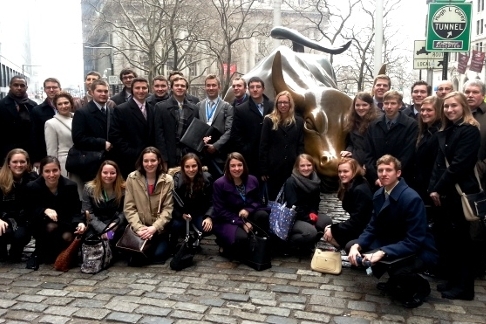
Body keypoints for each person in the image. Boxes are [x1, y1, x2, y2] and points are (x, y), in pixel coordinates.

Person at [349, 155, 438, 308]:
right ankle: (395, 279)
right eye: (380, 170)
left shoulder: (411, 198)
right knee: (353, 247)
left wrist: (383, 252)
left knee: (399, 271)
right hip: (394, 242)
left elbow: (415, 240)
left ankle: (420, 287)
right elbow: (372, 227)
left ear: (398, 173)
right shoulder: (379, 194)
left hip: (419, 249)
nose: (384, 174)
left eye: (388, 170)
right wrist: (356, 245)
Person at [428, 91, 481, 300]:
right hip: (445, 193)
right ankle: (452, 279)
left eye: (454, 106)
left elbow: (459, 165)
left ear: (463, 107)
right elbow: (438, 163)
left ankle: (464, 287)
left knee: (462, 242)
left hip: (459, 193)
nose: (450, 110)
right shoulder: (447, 129)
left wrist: (438, 188)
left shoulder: (469, 131)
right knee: (449, 240)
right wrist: (433, 188)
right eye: (446, 107)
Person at [27, 156, 85, 265]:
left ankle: (63, 254)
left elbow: (76, 209)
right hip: (43, 224)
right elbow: (29, 210)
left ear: (60, 170)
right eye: (47, 171)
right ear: (41, 172)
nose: (51, 175)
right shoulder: (33, 187)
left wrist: (80, 222)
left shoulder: (70, 186)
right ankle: (44, 252)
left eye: (55, 170)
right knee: (51, 227)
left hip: (65, 222)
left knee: (67, 236)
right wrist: (44, 210)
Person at [212, 152, 269, 259]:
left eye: (239, 165)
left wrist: (248, 210)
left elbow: (258, 201)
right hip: (228, 219)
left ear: (244, 166)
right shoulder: (219, 184)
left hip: (247, 214)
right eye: (233, 166)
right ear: (228, 167)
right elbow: (220, 210)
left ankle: (260, 243)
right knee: (240, 239)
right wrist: (242, 223)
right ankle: (224, 244)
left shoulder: (252, 179)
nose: (237, 169)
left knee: (262, 215)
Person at [124, 147, 173, 265]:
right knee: (137, 259)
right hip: (140, 228)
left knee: (158, 257)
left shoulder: (168, 180)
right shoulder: (132, 178)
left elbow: (168, 209)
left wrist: (154, 228)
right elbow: (129, 207)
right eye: (146, 161)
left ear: (159, 161)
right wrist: (139, 228)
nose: (149, 164)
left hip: (158, 229)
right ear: (141, 161)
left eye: (153, 160)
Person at [364, 90, 418, 188]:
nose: (389, 107)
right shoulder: (374, 125)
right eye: (386, 103)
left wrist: (392, 176)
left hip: (400, 179)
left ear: (400, 105)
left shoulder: (410, 125)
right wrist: (376, 176)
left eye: (393, 103)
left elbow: (407, 154)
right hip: (377, 180)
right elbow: (368, 154)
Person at [282, 154, 332, 254]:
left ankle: (308, 242)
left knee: (326, 221)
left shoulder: (315, 181)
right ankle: (290, 243)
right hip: (294, 217)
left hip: (308, 214)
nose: (306, 168)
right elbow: (294, 206)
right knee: (311, 232)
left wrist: (313, 213)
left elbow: (316, 201)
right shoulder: (291, 182)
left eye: (309, 165)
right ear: (297, 167)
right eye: (302, 166)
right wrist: (309, 220)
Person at [260, 90, 304, 200]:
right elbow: (263, 145)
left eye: (285, 102)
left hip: (291, 166)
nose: (283, 105)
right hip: (273, 166)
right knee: (273, 198)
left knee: (291, 197)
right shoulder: (269, 120)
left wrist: (300, 164)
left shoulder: (298, 121)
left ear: (290, 104)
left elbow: (300, 145)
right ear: (276, 104)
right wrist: (263, 169)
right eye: (280, 102)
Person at [323, 158, 372, 251]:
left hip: (365, 229)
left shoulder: (360, 190)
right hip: (360, 225)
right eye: (340, 171)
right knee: (327, 229)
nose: (342, 175)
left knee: (329, 232)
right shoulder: (352, 185)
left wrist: (334, 229)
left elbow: (358, 221)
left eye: (345, 171)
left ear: (354, 171)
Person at [109, 77, 154, 178]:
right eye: (137, 88)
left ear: (148, 89)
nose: (141, 91)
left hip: (150, 160)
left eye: (144, 88)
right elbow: (115, 136)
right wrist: (131, 152)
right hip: (130, 160)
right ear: (132, 90)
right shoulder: (121, 109)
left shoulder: (152, 108)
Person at [230, 77, 273, 177]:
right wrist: (247, 149)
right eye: (252, 87)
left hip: (271, 157)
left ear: (263, 89)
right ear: (248, 90)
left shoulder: (273, 106)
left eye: (258, 87)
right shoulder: (241, 109)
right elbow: (236, 135)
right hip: (251, 159)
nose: (255, 89)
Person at [71, 79, 113, 182]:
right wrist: (102, 143)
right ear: (91, 92)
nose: (103, 94)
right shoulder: (82, 113)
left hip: (111, 162)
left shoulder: (112, 111)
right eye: (99, 91)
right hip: (92, 162)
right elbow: (78, 138)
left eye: (106, 91)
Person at [169, 153, 213, 251]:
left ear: (199, 166)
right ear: (183, 168)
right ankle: (176, 241)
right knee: (176, 225)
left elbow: (212, 201)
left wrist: (208, 217)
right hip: (182, 213)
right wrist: (181, 214)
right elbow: (172, 203)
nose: (191, 169)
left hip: (198, 212)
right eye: (187, 167)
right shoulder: (177, 180)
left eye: (194, 166)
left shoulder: (206, 179)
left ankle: (195, 239)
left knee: (206, 227)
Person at [0, 149, 37, 262]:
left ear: (27, 163)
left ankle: (15, 252)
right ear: (9, 164)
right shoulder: (0, 179)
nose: (19, 165)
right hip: (3, 218)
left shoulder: (33, 179)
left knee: (20, 237)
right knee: (3, 232)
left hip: (22, 220)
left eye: (22, 162)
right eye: (15, 162)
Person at [154, 76, 197, 168]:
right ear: (171, 88)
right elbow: (158, 135)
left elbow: (195, 134)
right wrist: (163, 158)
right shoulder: (161, 107)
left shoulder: (194, 108)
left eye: (182, 86)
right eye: (176, 85)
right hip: (169, 153)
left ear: (186, 88)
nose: (179, 88)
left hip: (188, 154)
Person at [196, 74, 233, 177]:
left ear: (219, 87)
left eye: (214, 85)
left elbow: (229, 130)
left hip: (219, 154)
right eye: (208, 85)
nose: (211, 88)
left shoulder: (227, 107)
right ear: (205, 87)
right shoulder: (199, 106)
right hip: (202, 153)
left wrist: (216, 146)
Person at [82, 160, 126, 247]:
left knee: (112, 238)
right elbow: (88, 212)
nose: (108, 176)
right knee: (91, 239)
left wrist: (113, 227)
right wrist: (103, 229)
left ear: (117, 174)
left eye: (112, 173)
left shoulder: (124, 189)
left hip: (115, 224)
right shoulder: (89, 188)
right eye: (105, 173)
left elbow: (125, 211)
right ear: (100, 173)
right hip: (96, 224)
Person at [412, 96, 443, 204]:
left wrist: (434, 188)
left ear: (438, 111)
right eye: (422, 110)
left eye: (429, 110)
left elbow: (438, 164)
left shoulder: (440, 133)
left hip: (432, 187)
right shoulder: (424, 131)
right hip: (421, 184)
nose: (424, 113)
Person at [0, 76, 37, 164]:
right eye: (16, 85)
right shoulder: (1, 105)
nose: (19, 88)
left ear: (26, 87)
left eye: (22, 85)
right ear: (10, 86)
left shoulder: (33, 105)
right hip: (7, 152)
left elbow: (35, 131)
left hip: (28, 151)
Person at [340, 92, 379, 166]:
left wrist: (368, 165)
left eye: (364, 105)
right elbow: (351, 143)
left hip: (371, 164)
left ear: (370, 106)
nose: (361, 108)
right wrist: (349, 151)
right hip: (356, 162)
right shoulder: (352, 121)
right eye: (357, 105)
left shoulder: (377, 122)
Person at [44, 91, 75, 177]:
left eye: (66, 103)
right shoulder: (51, 123)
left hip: (81, 162)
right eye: (60, 104)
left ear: (71, 103)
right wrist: (54, 168)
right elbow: (51, 150)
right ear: (56, 106)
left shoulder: (78, 118)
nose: (63, 106)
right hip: (64, 164)